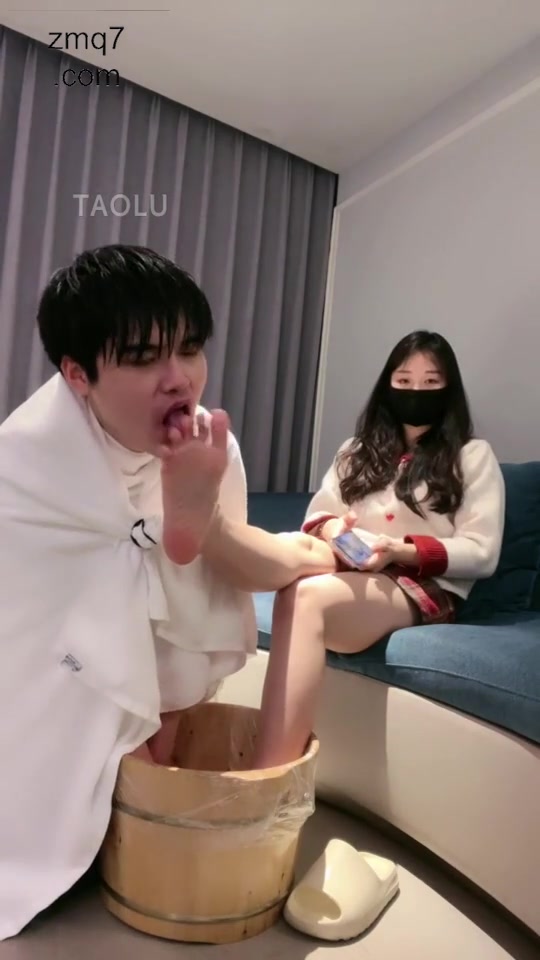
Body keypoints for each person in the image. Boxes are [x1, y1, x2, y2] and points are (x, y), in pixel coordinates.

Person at [0, 244, 337, 939]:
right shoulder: (24, 458)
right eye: (142, 357)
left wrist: (200, 521)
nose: (178, 377)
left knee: (183, 619)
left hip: (164, 662)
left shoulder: (210, 446)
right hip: (55, 665)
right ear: (77, 374)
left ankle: (147, 832)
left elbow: (223, 575)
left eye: (189, 348)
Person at [249, 330, 506, 768]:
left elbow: (482, 552)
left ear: (449, 388)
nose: (416, 391)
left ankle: (269, 772)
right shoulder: (356, 451)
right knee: (293, 562)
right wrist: (337, 530)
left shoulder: (472, 456)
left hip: (420, 583)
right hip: (352, 564)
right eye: (404, 381)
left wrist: (399, 551)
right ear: (388, 384)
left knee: (306, 596)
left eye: (430, 382)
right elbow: (320, 514)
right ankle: (271, 763)